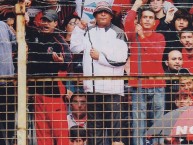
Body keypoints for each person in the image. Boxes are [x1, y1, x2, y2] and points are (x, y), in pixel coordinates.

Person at [70, 1, 128, 145]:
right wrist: (79, 28)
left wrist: (100, 57)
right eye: (100, 12)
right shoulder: (89, 31)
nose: (103, 14)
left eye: (106, 12)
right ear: (95, 15)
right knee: (95, 132)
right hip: (92, 90)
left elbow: (122, 59)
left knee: (116, 133)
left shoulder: (118, 32)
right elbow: (75, 48)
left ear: (110, 16)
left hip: (112, 90)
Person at [27, 9, 72, 145]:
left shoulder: (58, 40)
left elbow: (70, 60)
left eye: (49, 21)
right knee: (42, 134)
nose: (45, 23)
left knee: (60, 133)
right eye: (44, 20)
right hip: (37, 93)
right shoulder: (34, 35)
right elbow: (23, 24)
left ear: (55, 23)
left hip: (54, 94)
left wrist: (61, 62)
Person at [124, 0, 166, 144]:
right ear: (140, 20)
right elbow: (127, 22)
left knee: (158, 122)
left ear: (155, 22)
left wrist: (142, 36)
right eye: (145, 17)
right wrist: (136, 6)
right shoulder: (132, 36)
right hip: (139, 86)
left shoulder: (160, 37)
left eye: (150, 17)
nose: (147, 20)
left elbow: (156, 54)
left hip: (157, 86)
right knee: (138, 122)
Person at [0, 21, 17, 145]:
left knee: (9, 121)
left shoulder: (3, 25)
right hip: (6, 79)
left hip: (7, 81)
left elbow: (16, 43)